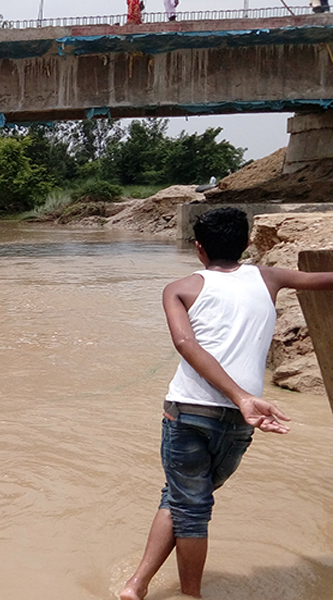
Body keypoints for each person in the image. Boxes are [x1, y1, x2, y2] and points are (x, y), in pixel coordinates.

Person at [118, 208, 333, 600]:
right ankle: (141, 586)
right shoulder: (270, 277)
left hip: (187, 410)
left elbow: (186, 345)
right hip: (239, 419)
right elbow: (326, 279)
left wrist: (242, 397)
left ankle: (177, 593)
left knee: (189, 503)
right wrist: (244, 398)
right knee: (187, 501)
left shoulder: (179, 288)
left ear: (198, 248)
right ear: (249, 243)